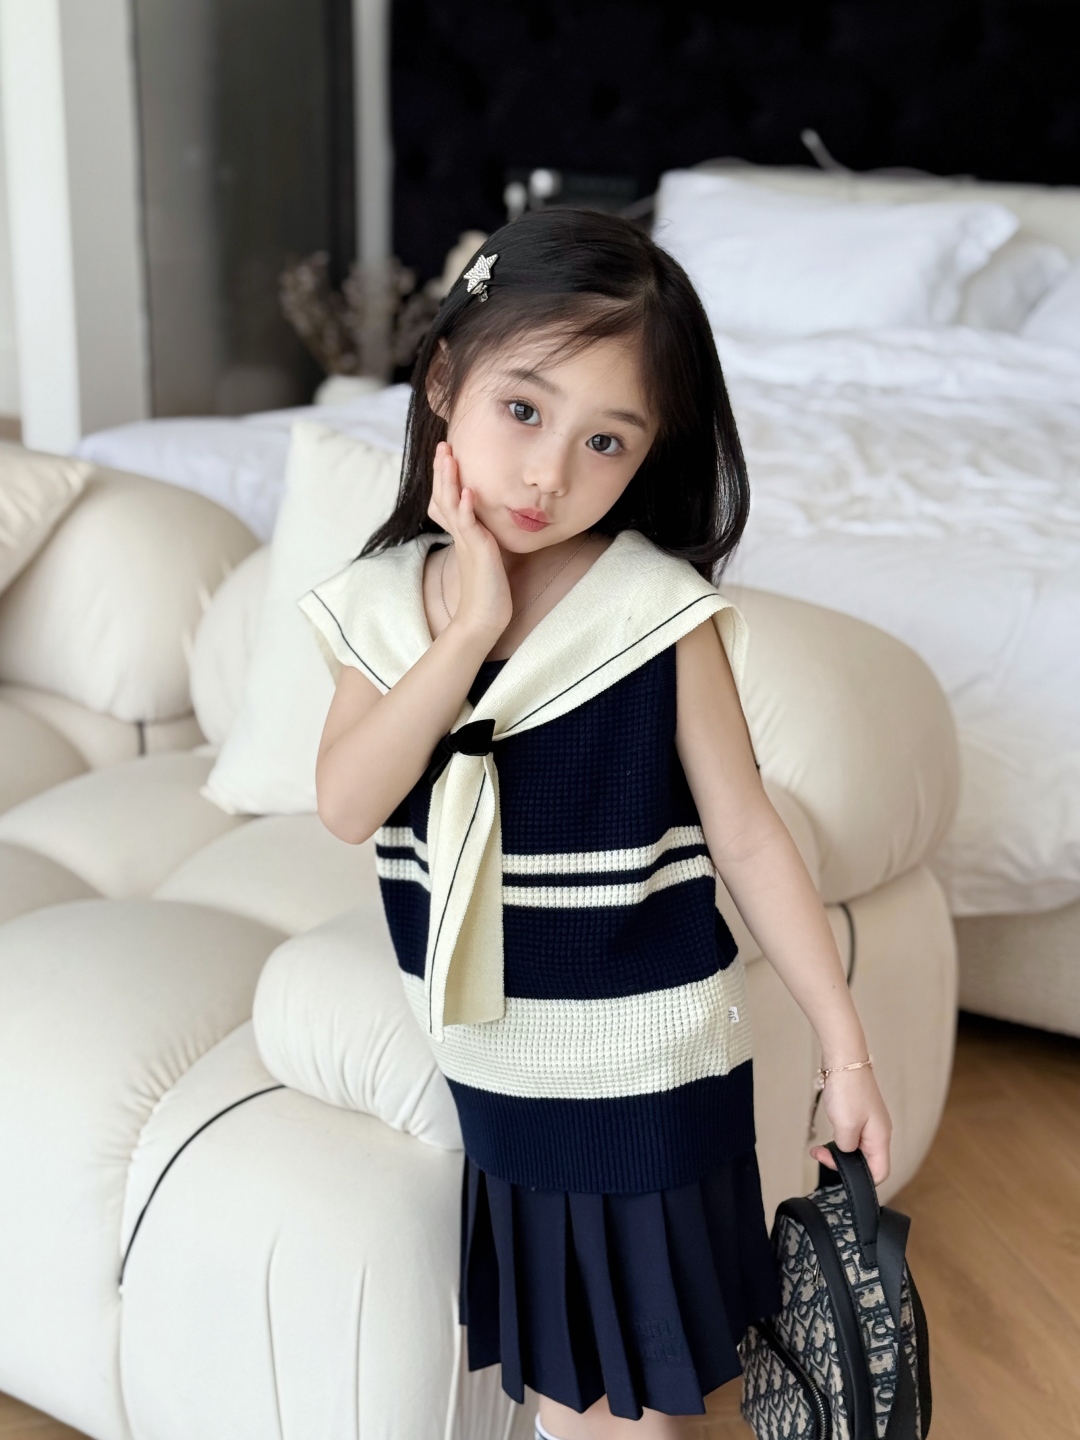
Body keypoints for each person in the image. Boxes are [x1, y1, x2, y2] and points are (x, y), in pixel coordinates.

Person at [299, 207, 892, 1440]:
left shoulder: (650, 615)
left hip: (647, 1067)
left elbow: (747, 835)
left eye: (605, 440)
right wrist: (469, 628)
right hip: (498, 1069)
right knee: (575, 1381)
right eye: (523, 409)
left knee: (619, 1403)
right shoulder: (384, 607)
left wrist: (845, 1050)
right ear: (443, 382)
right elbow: (349, 804)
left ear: (648, 455)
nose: (548, 474)